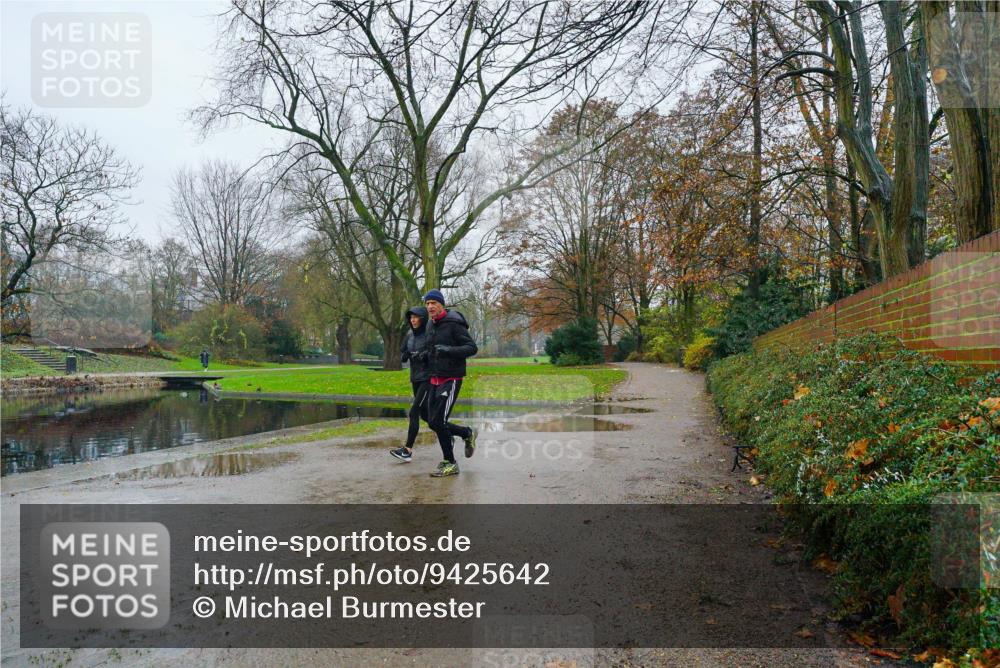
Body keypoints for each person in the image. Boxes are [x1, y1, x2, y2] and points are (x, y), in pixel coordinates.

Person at [422, 289, 478, 478]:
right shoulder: (430, 325)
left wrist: (449, 350)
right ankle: (465, 433)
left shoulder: (454, 324)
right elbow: (431, 349)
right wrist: (423, 356)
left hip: (451, 378)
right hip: (434, 378)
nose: (430, 306)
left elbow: (471, 348)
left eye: (434, 303)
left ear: (442, 305)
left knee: (439, 421)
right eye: (427, 303)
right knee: (432, 422)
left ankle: (450, 463)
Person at [390, 306, 431, 463]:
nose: (413, 320)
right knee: (427, 416)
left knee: (414, 412)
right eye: (411, 317)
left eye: (416, 317)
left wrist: (424, 355)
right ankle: (455, 433)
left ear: (423, 318)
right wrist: (405, 355)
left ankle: (407, 450)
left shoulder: (429, 335)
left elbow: (434, 353)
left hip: (427, 379)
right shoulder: (409, 337)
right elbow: (403, 354)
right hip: (415, 378)